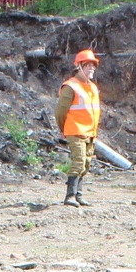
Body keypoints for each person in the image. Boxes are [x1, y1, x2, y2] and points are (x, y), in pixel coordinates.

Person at [55, 49, 101, 207]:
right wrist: (63, 129)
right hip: (75, 131)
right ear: (79, 66)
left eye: (93, 65)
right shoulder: (71, 86)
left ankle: (78, 195)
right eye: (88, 65)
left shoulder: (92, 87)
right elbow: (60, 112)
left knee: (86, 163)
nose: (92, 68)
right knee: (79, 162)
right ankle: (70, 196)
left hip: (90, 132)